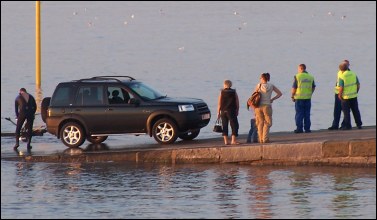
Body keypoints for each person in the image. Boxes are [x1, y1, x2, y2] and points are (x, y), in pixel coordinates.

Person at [254, 73, 282, 143]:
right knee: (268, 123)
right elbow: (279, 94)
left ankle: (260, 139)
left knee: (260, 122)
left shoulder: (258, 85)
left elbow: (254, 96)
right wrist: (272, 99)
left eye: (260, 78)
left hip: (258, 106)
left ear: (262, 78)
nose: (260, 79)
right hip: (267, 106)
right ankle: (265, 138)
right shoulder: (271, 86)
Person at [291, 64, 316, 133]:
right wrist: (310, 93)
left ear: (300, 69)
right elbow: (313, 87)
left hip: (299, 98)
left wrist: (292, 96)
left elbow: (294, 88)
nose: (298, 70)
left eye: (298, 69)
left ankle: (299, 129)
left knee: (299, 113)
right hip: (308, 98)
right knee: (307, 114)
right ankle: (307, 129)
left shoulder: (297, 76)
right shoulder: (310, 76)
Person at [337, 62, 362, 130]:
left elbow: (341, 87)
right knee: (356, 110)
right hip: (354, 96)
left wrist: (339, 94)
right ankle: (359, 124)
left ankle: (348, 126)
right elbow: (358, 84)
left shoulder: (342, 76)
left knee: (346, 112)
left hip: (346, 97)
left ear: (340, 69)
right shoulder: (353, 74)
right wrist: (356, 91)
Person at [217, 79, 240, 145]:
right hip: (231, 110)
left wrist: (218, 112)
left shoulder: (222, 92)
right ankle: (233, 140)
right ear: (230, 85)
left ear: (224, 85)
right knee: (234, 125)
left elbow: (219, 103)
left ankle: (226, 141)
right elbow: (237, 102)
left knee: (225, 125)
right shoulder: (234, 92)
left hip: (223, 111)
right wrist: (237, 110)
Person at [328, 60, 349, 130]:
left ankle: (345, 124)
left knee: (346, 111)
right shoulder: (339, 72)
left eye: (345, 64)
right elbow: (338, 83)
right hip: (337, 93)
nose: (343, 66)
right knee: (337, 110)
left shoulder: (350, 74)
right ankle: (335, 124)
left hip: (346, 94)